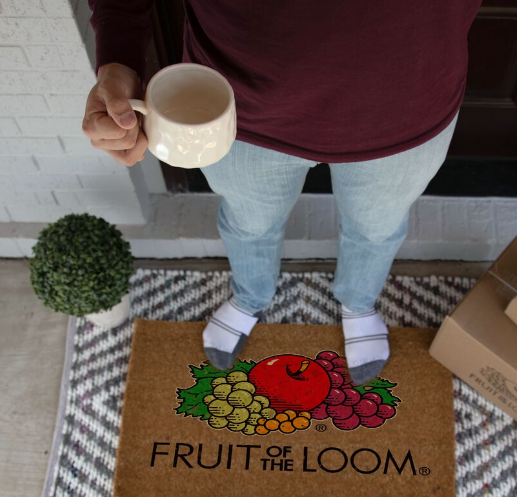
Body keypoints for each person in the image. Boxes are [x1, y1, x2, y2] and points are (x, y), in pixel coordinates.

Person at [83, 0, 483, 385]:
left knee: (378, 227)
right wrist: (118, 55)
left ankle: (358, 300)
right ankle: (252, 294)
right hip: (235, 107)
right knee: (249, 221)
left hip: (408, 106)